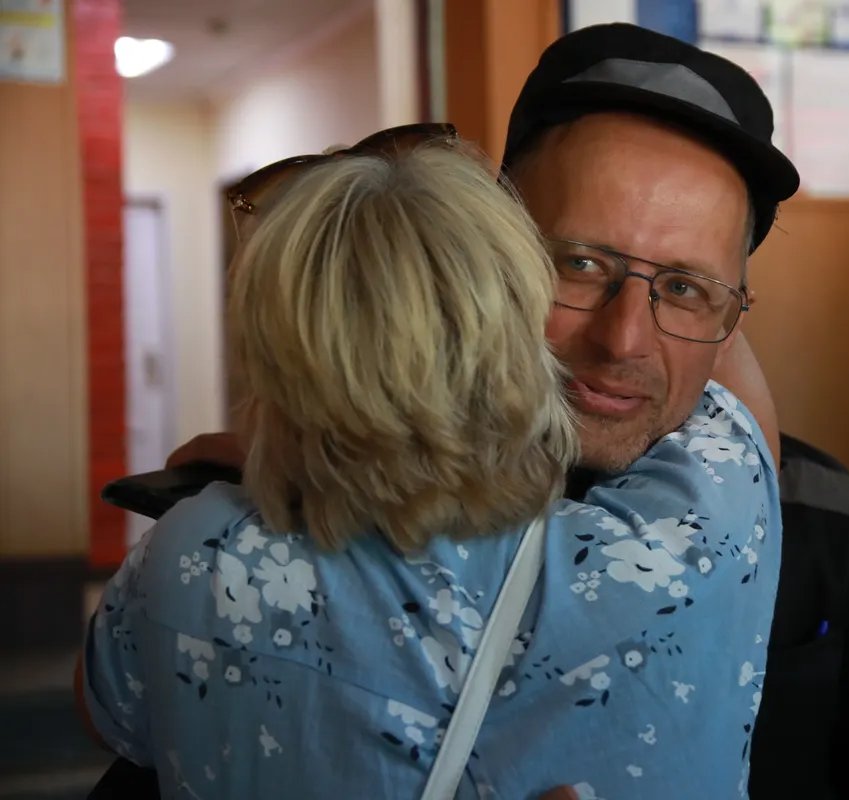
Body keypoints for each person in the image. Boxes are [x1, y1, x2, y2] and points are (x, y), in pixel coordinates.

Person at [144, 22, 849, 800]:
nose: (624, 340)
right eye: (578, 264)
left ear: (735, 313)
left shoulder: (819, 517)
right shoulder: (276, 510)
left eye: (687, 289)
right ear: (491, 259)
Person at [78, 134, 782, 798]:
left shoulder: (191, 554)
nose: (622, 333)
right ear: (515, 331)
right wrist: (690, 270)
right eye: (578, 265)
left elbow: (107, 711)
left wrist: (295, 450)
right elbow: (728, 381)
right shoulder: (675, 551)